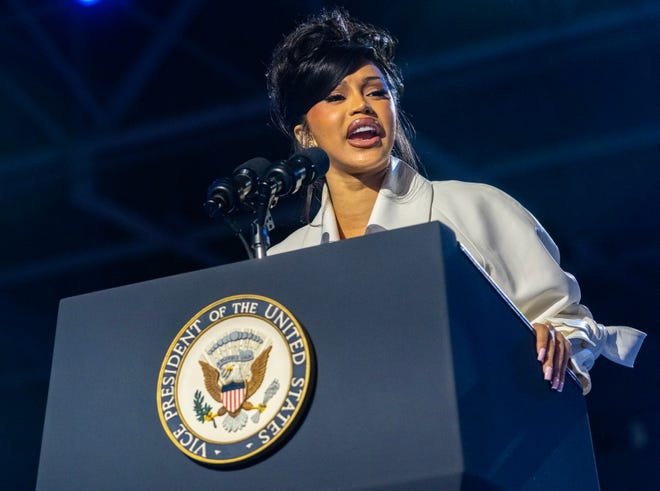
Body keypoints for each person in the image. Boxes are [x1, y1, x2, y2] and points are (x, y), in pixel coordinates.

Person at [265, 8, 645, 394]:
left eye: (377, 91)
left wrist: (556, 342)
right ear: (305, 135)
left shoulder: (476, 208)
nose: (361, 106)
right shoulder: (282, 263)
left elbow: (567, 321)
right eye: (335, 96)